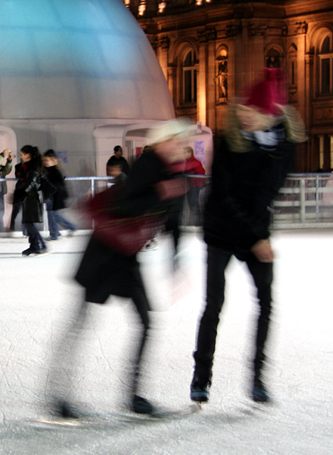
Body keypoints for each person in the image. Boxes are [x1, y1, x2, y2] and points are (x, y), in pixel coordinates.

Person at [46, 119, 191, 417]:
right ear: (163, 142)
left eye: (183, 141)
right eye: (176, 140)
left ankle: (135, 397)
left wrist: (175, 263)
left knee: (146, 322)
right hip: (103, 254)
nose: (181, 146)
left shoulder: (177, 176)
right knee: (81, 325)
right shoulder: (148, 164)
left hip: (126, 258)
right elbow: (124, 204)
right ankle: (59, 397)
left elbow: (175, 224)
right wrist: (159, 193)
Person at [190, 69, 307, 405]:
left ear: (271, 115)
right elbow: (224, 196)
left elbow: (267, 194)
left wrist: (259, 236)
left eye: (251, 111)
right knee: (214, 304)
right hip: (221, 229)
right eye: (242, 108)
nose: (242, 114)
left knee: (266, 303)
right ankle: (201, 377)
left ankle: (258, 378)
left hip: (255, 228)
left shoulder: (283, 147)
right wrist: (257, 237)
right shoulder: (230, 141)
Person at [14, 145, 47, 256]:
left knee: (28, 222)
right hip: (29, 197)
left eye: (22, 154)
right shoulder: (27, 166)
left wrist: (23, 192)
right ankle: (34, 245)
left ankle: (41, 245)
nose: (21, 156)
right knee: (28, 222)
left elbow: (32, 182)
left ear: (28, 155)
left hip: (33, 198)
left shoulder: (33, 167)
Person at [43, 149, 76, 240]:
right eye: (45, 160)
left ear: (53, 161)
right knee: (54, 216)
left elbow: (57, 186)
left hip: (54, 197)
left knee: (54, 215)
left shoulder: (54, 172)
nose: (45, 162)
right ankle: (57, 232)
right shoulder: (49, 170)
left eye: (47, 160)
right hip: (52, 197)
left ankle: (57, 233)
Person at [183, 146, 206, 226]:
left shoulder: (195, 162)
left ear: (190, 153)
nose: (183, 154)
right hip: (190, 186)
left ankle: (197, 222)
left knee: (193, 203)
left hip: (194, 186)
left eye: (185, 153)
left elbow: (201, 173)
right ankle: (195, 221)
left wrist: (200, 184)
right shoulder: (188, 162)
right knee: (192, 203)